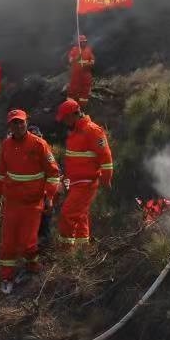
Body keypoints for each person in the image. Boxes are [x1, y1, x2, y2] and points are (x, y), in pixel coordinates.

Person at [0, 109, 60, 293]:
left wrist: (49, 197)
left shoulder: (39, 144)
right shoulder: (6, 145)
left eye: (21, 122)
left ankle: (33, 269)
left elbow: (53, 174)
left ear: (26, 122)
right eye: (14, 123)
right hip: (12, 203)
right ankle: (6, 277)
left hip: (33, 202)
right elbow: (1, 174)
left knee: (28, 243)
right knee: (7, 243)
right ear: (10, 126)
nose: (18, 125)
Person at [56, 99, 114, 248]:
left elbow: (106, 158)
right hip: (76, 183)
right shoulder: (75, 132)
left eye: (65, 118)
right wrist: (66, 179)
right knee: (81, 217)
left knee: (67, 215)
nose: (63, 122)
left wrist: (106, 181)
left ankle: (66, 252)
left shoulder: (92, 131)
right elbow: (74, 160)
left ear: (73, 115)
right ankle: (82, 251)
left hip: (86, 183)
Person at [67, 36, 95, 103]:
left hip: (86, 72)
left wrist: (87, 64)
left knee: (86, 87)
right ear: (79, 43)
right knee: (73, 88)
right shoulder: (74, 50)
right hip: (76, 73)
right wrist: (77, 58)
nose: (84, 43)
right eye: (82, 42)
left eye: (85, 42)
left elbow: (92, 60)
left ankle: (82, 104)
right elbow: (70, 61)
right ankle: (71, 104)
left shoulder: (88, 49)